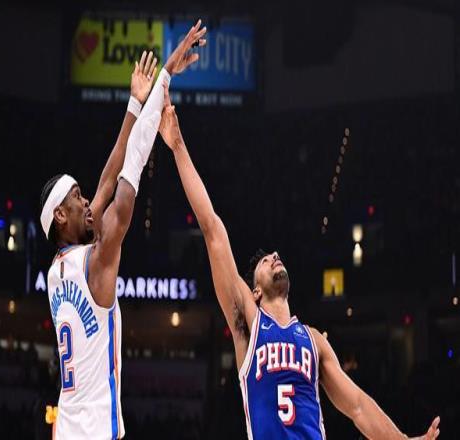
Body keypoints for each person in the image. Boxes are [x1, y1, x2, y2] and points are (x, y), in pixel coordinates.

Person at [158, 86, 441, 439]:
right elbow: (212, 229)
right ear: (255, 291)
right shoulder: (249, 323)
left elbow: (357, 406)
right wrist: (178, 146)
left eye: (275, 257)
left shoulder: (314, 341)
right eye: (265, 261)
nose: (275, 257)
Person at [39, 20, 207, 439]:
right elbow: (128, 176)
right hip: (95, 431)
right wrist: (165, 79)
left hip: (66, 428)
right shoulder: (97, 260)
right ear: (60, 216)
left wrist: (134, 105)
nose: (86, 202)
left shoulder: (57, 271)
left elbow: (106, 181)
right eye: (77, 198)